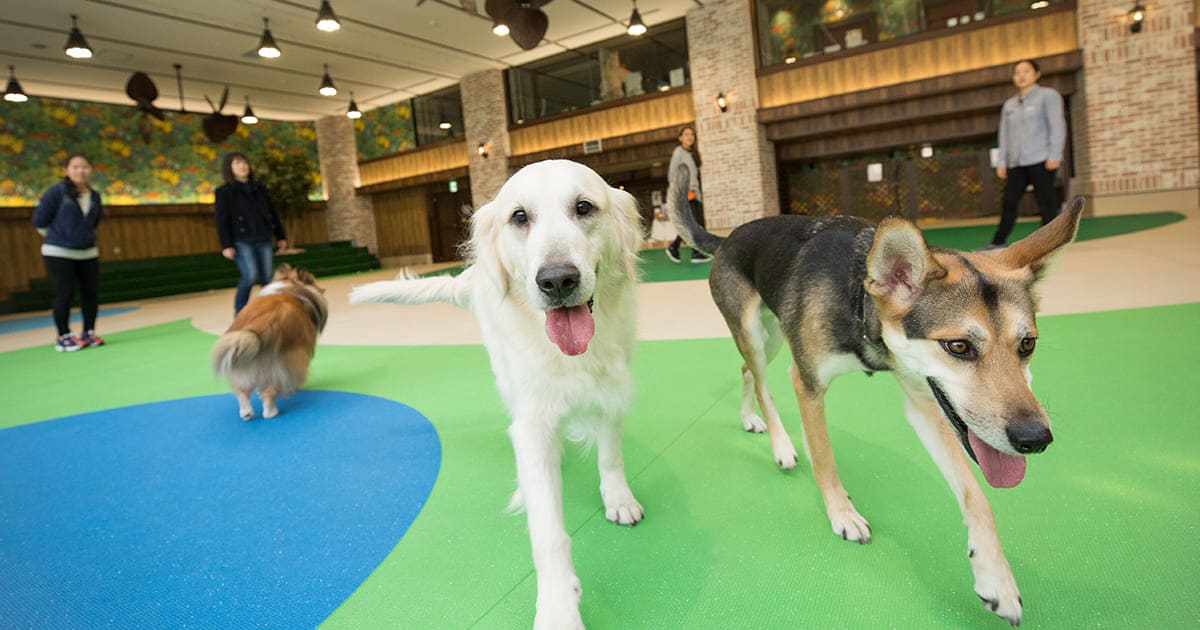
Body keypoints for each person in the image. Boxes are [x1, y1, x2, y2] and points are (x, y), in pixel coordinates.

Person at [981, 59, 1066, 251]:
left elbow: (1057, 126)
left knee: (1045, 200)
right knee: (1009, 201)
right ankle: (998, 241)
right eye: (1017, 72)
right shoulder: (1009, 105)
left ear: (1037, 74)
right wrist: (1002, 162)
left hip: (1042, 159)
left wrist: (1055, 154)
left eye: (1026, 71)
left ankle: (1050, 242)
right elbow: (1004, 135)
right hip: (1016, 163)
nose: (1021, 76)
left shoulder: (1048, 96)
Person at [32, 154, 105, 352]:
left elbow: (94, 223)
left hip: (88, 252)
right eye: (75, 167)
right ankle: (63, 336)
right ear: (67, 170)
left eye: (85, 167)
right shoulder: (56, 193)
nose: (81, 171)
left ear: (90, 170)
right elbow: (39, 221)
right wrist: (59, 236)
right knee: (64, 293)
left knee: (90, 293)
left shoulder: (95, 196)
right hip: (58, 252)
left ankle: (88, 332)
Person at [214, 152, 287, 316]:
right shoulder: (224, 192)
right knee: (250, 276)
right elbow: (221, 220)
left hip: (264, 237)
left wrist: (281, 235)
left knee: (267, 277)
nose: (242, 166)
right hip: (242, 240)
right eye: (237, 163)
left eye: (244, 162)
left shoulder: (259, 188)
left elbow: (272, 213)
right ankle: (240, 312)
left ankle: (269, 310)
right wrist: (226, 245)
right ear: (229, 168)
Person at [665, 125, 711, 264]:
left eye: (692, 134)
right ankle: (693, 252)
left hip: (695, 193)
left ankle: (675, 248)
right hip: (687, 193)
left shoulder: (693, 154)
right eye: (686, 134)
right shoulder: (678, 152)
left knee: (693, 224)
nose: (690, 137)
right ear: (680, 138)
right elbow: (672, 174)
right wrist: (683, 191)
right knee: (693, 224)